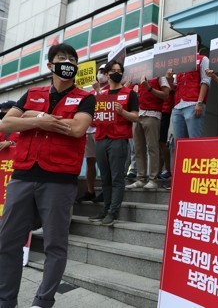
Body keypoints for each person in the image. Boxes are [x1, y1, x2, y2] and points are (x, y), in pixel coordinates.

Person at [0, 43, 95, 308]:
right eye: (62, 58)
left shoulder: (86, 97)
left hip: (59, 179)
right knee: (7, 241)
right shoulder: (32, 92)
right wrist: (39, 119)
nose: (68, 62)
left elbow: (77, 129)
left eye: (73, 59)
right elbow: (6, 123)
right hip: (23, 175)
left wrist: (32, 117)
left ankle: (42, 301)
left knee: (55, 244)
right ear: (50, 65)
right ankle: (6, 301)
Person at [89, 60, 138, 226]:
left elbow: (136, 117)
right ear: (107, 74)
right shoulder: (100, 94)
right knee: (105, 178)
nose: (116, 72)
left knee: (117, 177)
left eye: (119, 70)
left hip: (119, 140)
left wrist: (122, 112)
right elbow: (93, 119)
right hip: (101, 139)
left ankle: (113, 212)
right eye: (113, 70)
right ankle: (106, 209)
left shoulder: (129, 93)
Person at [125, 74, 170, 190]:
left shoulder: (159, 76)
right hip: (137, 115)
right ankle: (140, 178)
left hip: (152, 114)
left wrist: (149, 88)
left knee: (152, 147)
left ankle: (153, 179)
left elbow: (166, 95)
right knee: (138, 148)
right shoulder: (135, 78)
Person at [167, 34, 211, 139]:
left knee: (193, 142)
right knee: (179, 143)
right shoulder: (180, 62)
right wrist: (169, 79)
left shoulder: (203, 59)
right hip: (177, 107)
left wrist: (199, 103)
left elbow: (206, 81)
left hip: (193, 104)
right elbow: (175, 87)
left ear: (196, 43)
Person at [76, 64, 109, 203]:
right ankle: (90, 190)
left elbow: (108, 106)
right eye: (100, 71)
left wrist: (97, 91)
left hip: (100, 129)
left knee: (103, 162)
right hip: (88, 130)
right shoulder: (89, 92)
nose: (101, 74)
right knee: (90, 161)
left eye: (104, 72)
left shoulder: (110, 89)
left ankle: (106, 191)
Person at [158, 84, 174, 180]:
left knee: (162, 142)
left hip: (165, 111)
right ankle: (158, 170)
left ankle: (168, 170)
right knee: (156, 143)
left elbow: (171, 88)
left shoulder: (170, 77)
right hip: (155, 111)